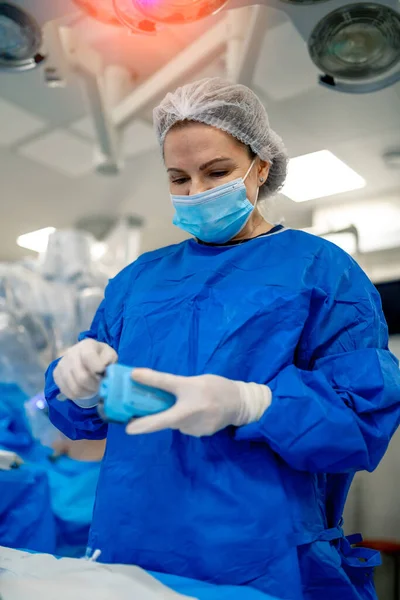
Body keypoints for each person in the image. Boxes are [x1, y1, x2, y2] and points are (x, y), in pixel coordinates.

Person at [45, 78, 400, 600]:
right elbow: (83, 418)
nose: (197, 192)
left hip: (260, 554)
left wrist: (252, 404)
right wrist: (76, 385)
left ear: (261, 166)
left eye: (217, 172)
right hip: (133, 543)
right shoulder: (138, 280)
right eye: (178, 178)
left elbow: (363, 418)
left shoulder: (321, 271)